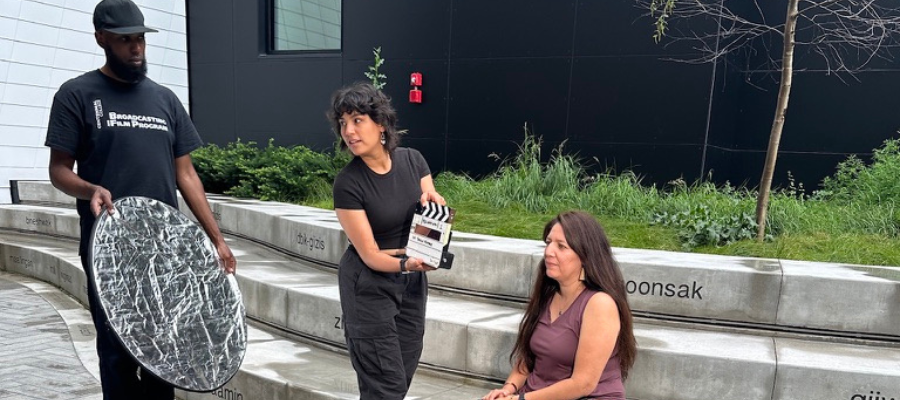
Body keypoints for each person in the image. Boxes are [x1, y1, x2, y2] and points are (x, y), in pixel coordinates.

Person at [44, 0, 237, 398]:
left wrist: (216, 239)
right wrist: (90, 189)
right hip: (109, 249)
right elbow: (58, 170)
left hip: (165, 252)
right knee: (117, 352)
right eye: (125, 40)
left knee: (165, 350)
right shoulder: (76, 95)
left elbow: (186, 174)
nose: (136, 49)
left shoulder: (164, 100)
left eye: (140, 39)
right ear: (101, 39)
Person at [330, 82, 445, 399]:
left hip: (411, 281)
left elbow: (428, 220)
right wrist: (407, 262)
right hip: (369, 282)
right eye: (343, 123)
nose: (349, 131)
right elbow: (369, 254)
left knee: (401, 376)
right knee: (386, 384)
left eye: (357, 120)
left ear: (380, 123)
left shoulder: (413, 161)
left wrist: (437, 213)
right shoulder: (348, 183)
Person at [483, 211, 637, 400]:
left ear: (585, 256)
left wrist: (520, 399)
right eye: (548, 243)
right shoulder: (548, 294)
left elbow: (583, 384)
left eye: (561, 246)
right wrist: (508, 389)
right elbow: (529, 360)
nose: (549, 252)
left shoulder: (599, 304)